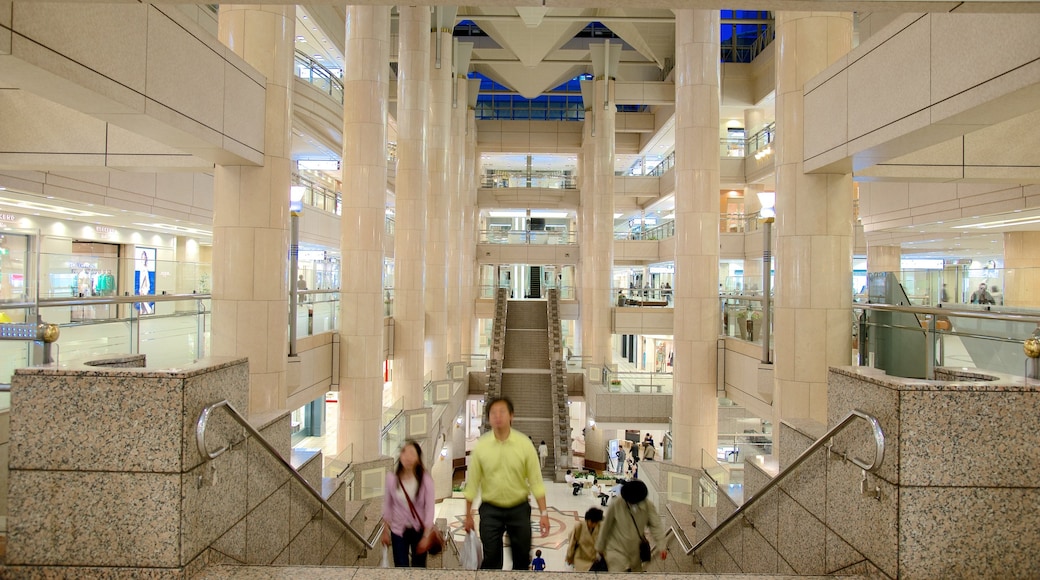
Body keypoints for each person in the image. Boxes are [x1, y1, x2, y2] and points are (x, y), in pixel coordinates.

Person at [463, 397, 549, 570]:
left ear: (511, 416)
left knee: (521, 558)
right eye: (493, 413)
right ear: (488, 418)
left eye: (502, 411)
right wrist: (467, 514)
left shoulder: (524, 444)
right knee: (491, 560)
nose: (498, 416)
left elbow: (536, 482)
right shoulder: (482, 446)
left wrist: (544, 513)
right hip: (490, 510)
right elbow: (472, 484)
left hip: (518, 509)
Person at [381, 440, 436, 568]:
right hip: (398, 529)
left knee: (419, 567)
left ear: (418, 458)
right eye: (405, 453)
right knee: (400, 566)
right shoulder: (391, 479)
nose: (408, 457)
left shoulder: (425, 480)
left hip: (419, 530)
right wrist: (385, 530)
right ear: (400, 456)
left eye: (412, 453)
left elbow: (429, 509)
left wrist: (426, 535)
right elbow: (388, 505)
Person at [594, 480, 667, 572]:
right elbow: (606, 526)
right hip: (615, 548)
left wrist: (661, 546)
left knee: (636, 574)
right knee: (617, 575)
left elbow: (656, 525)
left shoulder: (648, 506)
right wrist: (599, 547)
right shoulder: (617, 503)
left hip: (634, 550)